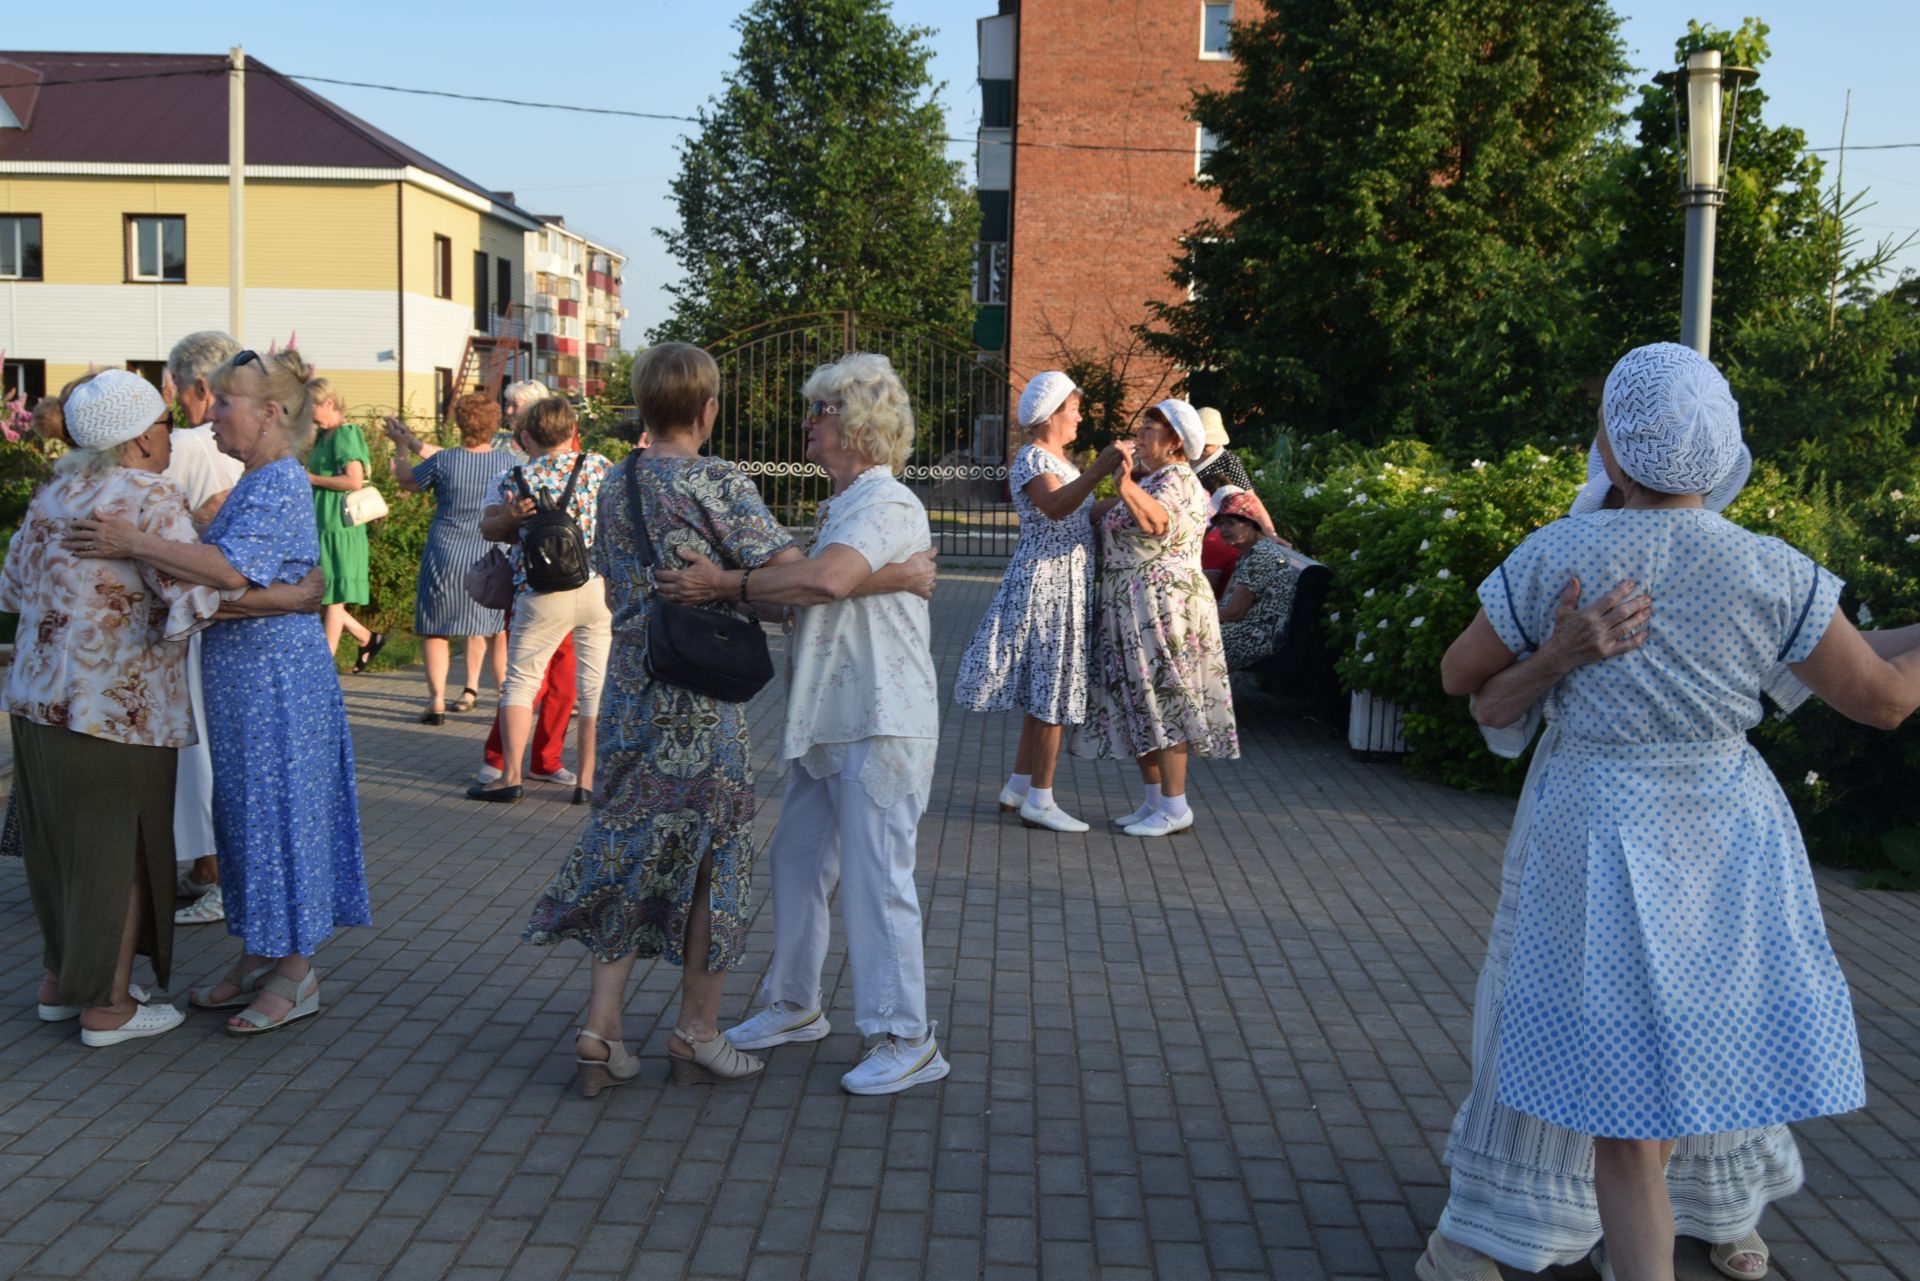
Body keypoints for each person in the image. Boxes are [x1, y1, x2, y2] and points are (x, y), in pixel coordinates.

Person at [1438, 343, 1920, 1281]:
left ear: (1613, 453)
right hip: (1721, 833)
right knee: (1688, 1060)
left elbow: (1462, 676)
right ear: (1726, 449)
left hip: (1596, 826)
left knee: (1620, 1092)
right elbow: (1884, 697)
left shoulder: (1559, 550)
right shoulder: (1770, 569)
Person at [1423, 432, 1807, 1281]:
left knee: (1701, 1031)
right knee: (1552, 1023)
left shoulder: (1741, 564)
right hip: (1589, 831)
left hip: (1707, 843)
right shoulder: (1572, 547)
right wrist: (1561, 652)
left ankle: (1710, 1207)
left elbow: (1827, 667)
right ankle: (1495, 1226)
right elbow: (1480, 692)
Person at [657, 352, 949, 1096]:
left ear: (857, 422)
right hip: (832, 720)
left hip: (882, 718)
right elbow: (806, 599)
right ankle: (795, 1003)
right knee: (796, 860)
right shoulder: (842, 507)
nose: (808, 424)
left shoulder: (885, 502)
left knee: (878, 879)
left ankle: (907, 1035)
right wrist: (719, 594)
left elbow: (828, 580)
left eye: (819, 411)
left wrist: (723, 580)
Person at [72, 348, 373, 1035]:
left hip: (276, 679)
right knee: (245, 814)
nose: (208, 416)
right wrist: (280, 594)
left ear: (271, 413)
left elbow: (225, 569)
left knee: (281, 812)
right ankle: (261, 953)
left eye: (226, 404)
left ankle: (297, 970)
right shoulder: (254, 479)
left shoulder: (279, 480)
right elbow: (227, 583)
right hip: (248, 675)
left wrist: (136, 542)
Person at [2, 372, 222, 1045]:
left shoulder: (53, 495)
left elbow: (11, 588)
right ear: (134, 440)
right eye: (161, 425)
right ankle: (107, 1006)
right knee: (118, 851)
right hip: (118, 706)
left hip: (39, 699)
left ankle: (58, 984)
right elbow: (193, 601)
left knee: (60, 846)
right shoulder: (150, 496)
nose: (168, 437)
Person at [953, 371, 1125, 832]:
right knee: (1054, 688)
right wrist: (1099, 471)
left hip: (1065, 579)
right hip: (1048, 583)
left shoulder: (1058, 459)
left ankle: (1019, 786)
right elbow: (1055, 507)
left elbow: (1083, 510)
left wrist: (1131, 498)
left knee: (1046, 690)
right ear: (1051, 415)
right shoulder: (1033, 457)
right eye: (1074, 409)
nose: (1080, 417)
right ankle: (1041, 801)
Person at [1072, 398, 1238, 837]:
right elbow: (1108, 516)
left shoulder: (1179, 480)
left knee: (1166, 698)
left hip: (1163, 609)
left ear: (1175, 441)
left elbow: (1156, 523)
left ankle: (1176, 805)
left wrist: (1124, 483)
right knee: (1138, 701)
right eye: (1142, 427)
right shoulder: (1158, 477)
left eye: (1150, 429)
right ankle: (1154, 802)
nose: (1141, 435)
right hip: (1135, 605)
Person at [466, 399, 612, 804]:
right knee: (593, 690)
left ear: (526, 435)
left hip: (539, 591)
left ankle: (509, 777)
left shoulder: (512, 478)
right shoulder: (598, 466)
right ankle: (586, 782)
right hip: (595, 588)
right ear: (572, 428)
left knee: (522, 682)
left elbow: (488, 529)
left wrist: (512, 518)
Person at [163, 330, 246, 928]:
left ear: (198, 385)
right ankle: (207, 869)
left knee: (199, 752)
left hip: (194, 611)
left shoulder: (189, 445)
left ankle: (215, 872)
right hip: (240, 612)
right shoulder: (259, 446)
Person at [383, 394, 507, 725]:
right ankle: (505, 702)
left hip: (446, 555)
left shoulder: (445, 461)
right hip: (491, 556)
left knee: (436, 629)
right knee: (496, 630)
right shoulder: (508, 462)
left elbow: (407, 481)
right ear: (494, 424)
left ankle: (436, 701)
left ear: (459, 424)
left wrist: (400, 446)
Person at [475, 403, 579, 790]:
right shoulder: (510, 477)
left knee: (564, 684)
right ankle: (498, 756)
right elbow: (488, 526)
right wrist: (510, 518)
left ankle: (546, 759)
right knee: (526, 683)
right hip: (530, 588)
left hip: (576, 588)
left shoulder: (589, 468)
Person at [307, 380, 385, 672]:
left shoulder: (345, 434)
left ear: (329, 403)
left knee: (333, 596)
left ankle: (324, 665)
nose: (309, 412)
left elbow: (354, 480)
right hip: (323, 522)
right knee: (325, 595)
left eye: (312, 405)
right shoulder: (323, 435)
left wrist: (313, 479)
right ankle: (367, 638)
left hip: (340, 523)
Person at [1214, 490, 1300, 670]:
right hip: (1244, 628)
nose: (1223, 530)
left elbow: (1234, 613)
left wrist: (1196, 619)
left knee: (1186, 639)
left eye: (1230, 523)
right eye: (1220, 524)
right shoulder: (1249, 552)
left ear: (1251, 524)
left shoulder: (1260, 555)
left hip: (1255, 636)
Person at [1190, 406, 1252, 492]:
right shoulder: (1184, 454)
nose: (1206, 446)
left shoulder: (1230, 461)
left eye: (1209, 443)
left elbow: (1248, 497)